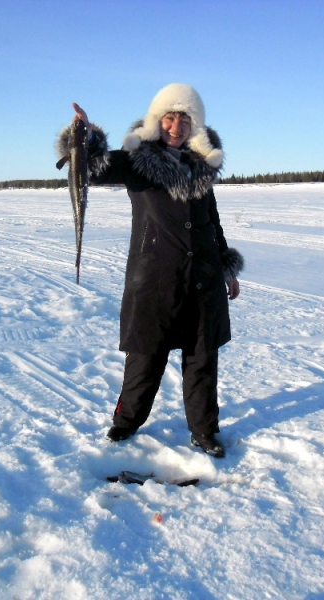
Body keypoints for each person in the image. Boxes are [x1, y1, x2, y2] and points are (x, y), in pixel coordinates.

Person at [56, 83, 243, 458]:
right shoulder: (138, 161)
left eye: (185, 120)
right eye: (170, 118)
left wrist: (226, 267)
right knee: (145, 359)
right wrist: (85, 138)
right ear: (158, 122)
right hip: (155, 279)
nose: (177, 126)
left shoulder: (200, 167)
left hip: (203, 281)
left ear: (195, 126)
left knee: (202, 360)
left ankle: (205, 430)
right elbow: (96, 167)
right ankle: (126, 423)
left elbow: (211, 220)